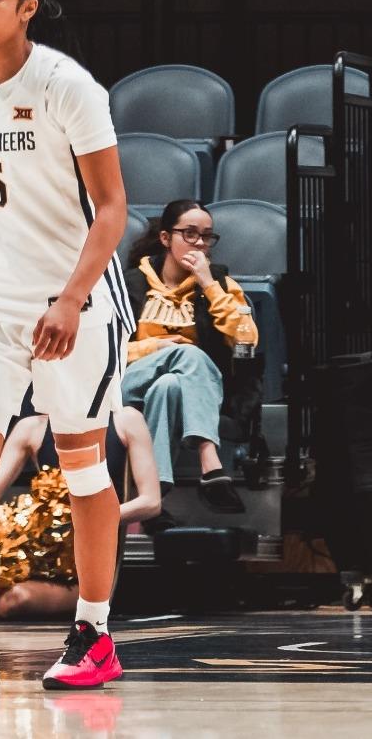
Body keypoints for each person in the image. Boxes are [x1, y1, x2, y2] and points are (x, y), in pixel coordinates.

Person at [0, 0, 132, 689]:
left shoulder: (68, 86)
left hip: (75, 299)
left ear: (27, 7)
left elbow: (114, 208)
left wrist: (69, 298)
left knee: (82, 466)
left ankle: (94, 632)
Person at [121, 200, 255, 514]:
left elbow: (247, 341)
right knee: (186, 353)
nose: (199, 243)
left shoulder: (220, 284)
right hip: (129, 384)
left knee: (168, 386)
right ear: (166, 238)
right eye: (190, 233)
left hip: (189, 393)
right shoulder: (131, 284)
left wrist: (208, 284)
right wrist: (158, 348)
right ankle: (209, 459)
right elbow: (105, 352)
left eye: (207, 236)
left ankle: (155, 497)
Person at [0, 408, 160, 620]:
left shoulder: (126, 420)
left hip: (87, 568)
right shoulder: (32, 428)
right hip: (32, 555)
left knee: (13, 601)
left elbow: (151, 502)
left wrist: (81, 520)